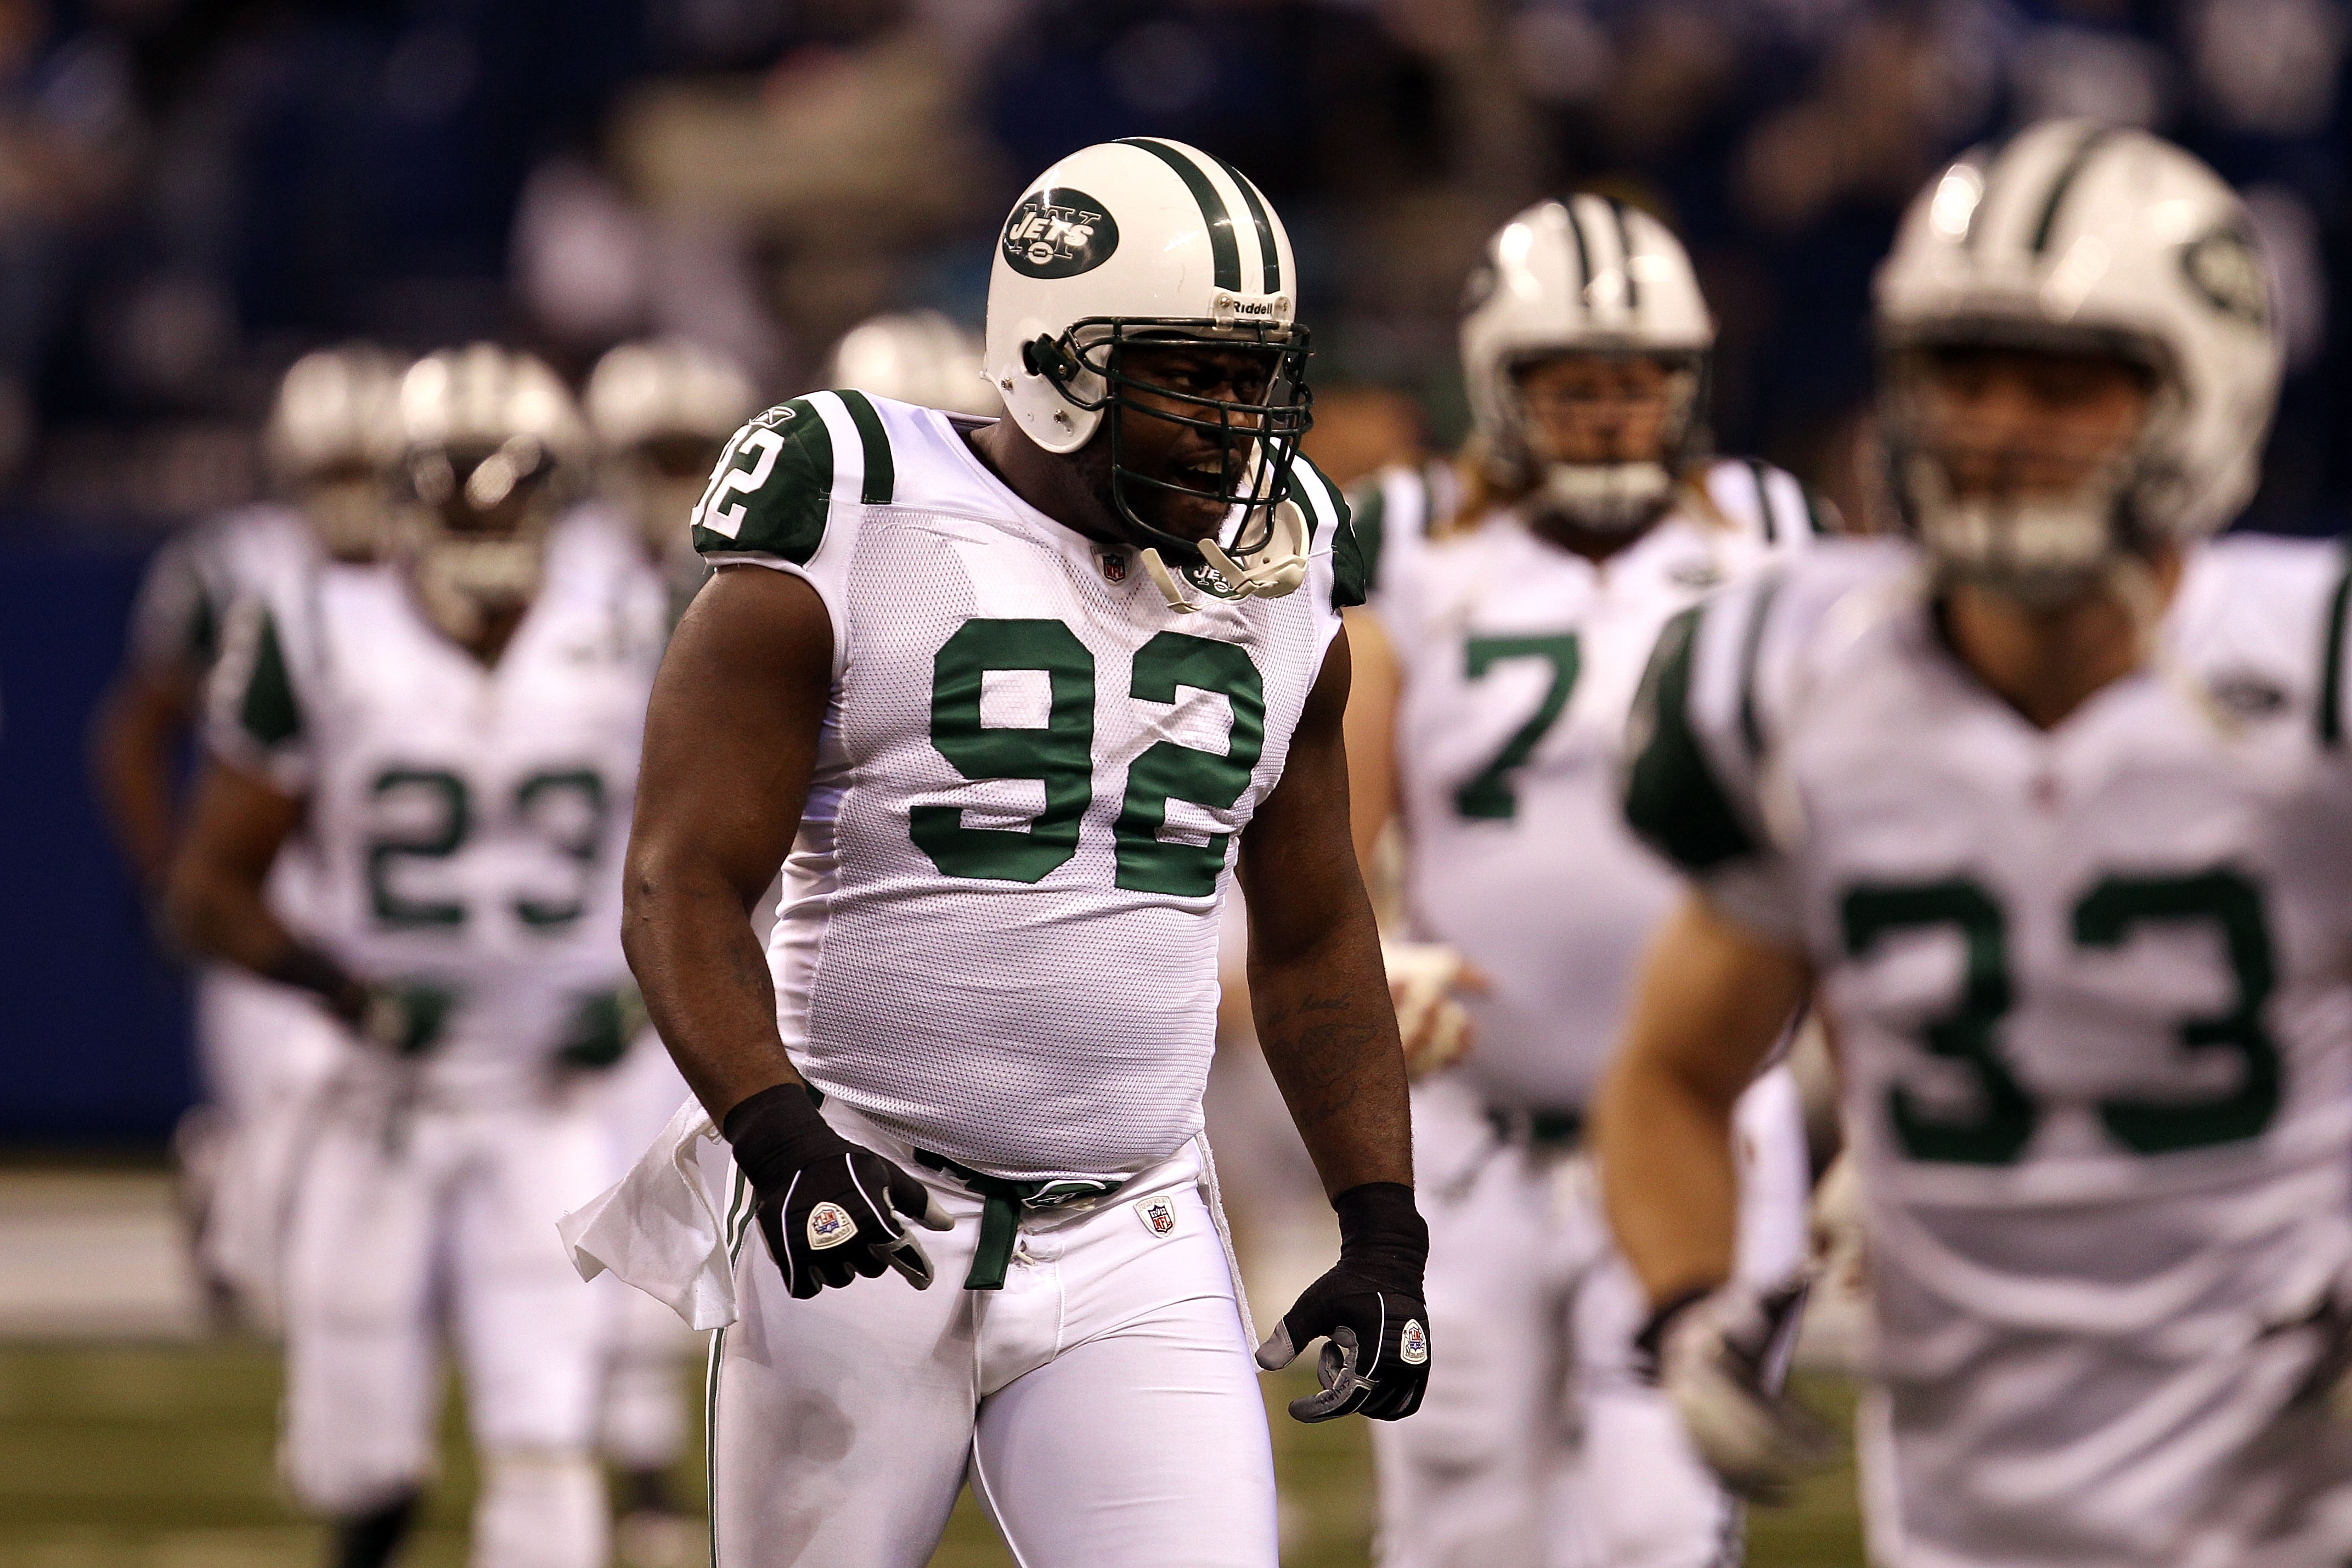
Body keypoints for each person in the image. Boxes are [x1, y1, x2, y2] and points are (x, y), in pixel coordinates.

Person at [581, 137, 1429, 1568]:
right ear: (1055, 355)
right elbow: (682, 875)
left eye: (1253, 380)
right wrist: (778, 1139)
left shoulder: (1287, 568)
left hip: (1135, 1232)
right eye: (1191, 377)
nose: (1235, 427)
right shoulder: (852, 498)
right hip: (863, 1209)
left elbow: (1315, 925)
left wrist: (1381, 1223)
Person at [1597, 123, 2352, 1567]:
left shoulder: (2315, 669)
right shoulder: (1798, 673)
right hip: (1961, 1507)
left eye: (2065, 386)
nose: (2001, 424)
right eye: (1964, 374)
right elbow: (1671, 1073)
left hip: (2294, 1502)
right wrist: (1691, 1302)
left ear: (2204, 394)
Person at [1347, 195, 1817, 1568]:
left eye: (1637, 383)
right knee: (1456, 1523)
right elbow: (1327, 823)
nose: (1609, 414)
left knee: (1661, 1521)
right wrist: (1373, 942)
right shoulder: (1411, 538)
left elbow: (1840, 834)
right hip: (1463, 1119)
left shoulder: (1771, 532)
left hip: (1711, 1117)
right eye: (1570, 386)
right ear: (1499, 389)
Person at [169, 343, 666, 1568]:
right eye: (450, 486)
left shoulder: (639, 620)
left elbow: (724, 847)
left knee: (547, 1425)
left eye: (507, 485)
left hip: (553, 1087)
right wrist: (346, 988)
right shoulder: (310, 629)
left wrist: (641, 990)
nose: (481, 514)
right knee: (354, 1448)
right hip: (378, 1085)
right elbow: (209, 891)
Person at [91, 343, 404, 1327]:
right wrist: (166, 872)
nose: (350, 497)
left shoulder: (446, 564)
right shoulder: (230, 566)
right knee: (278, 1134)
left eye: (368, 469)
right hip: (274, 882)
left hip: (391, 878)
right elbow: (139, 729)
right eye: (330, 472)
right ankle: (231, 1182)